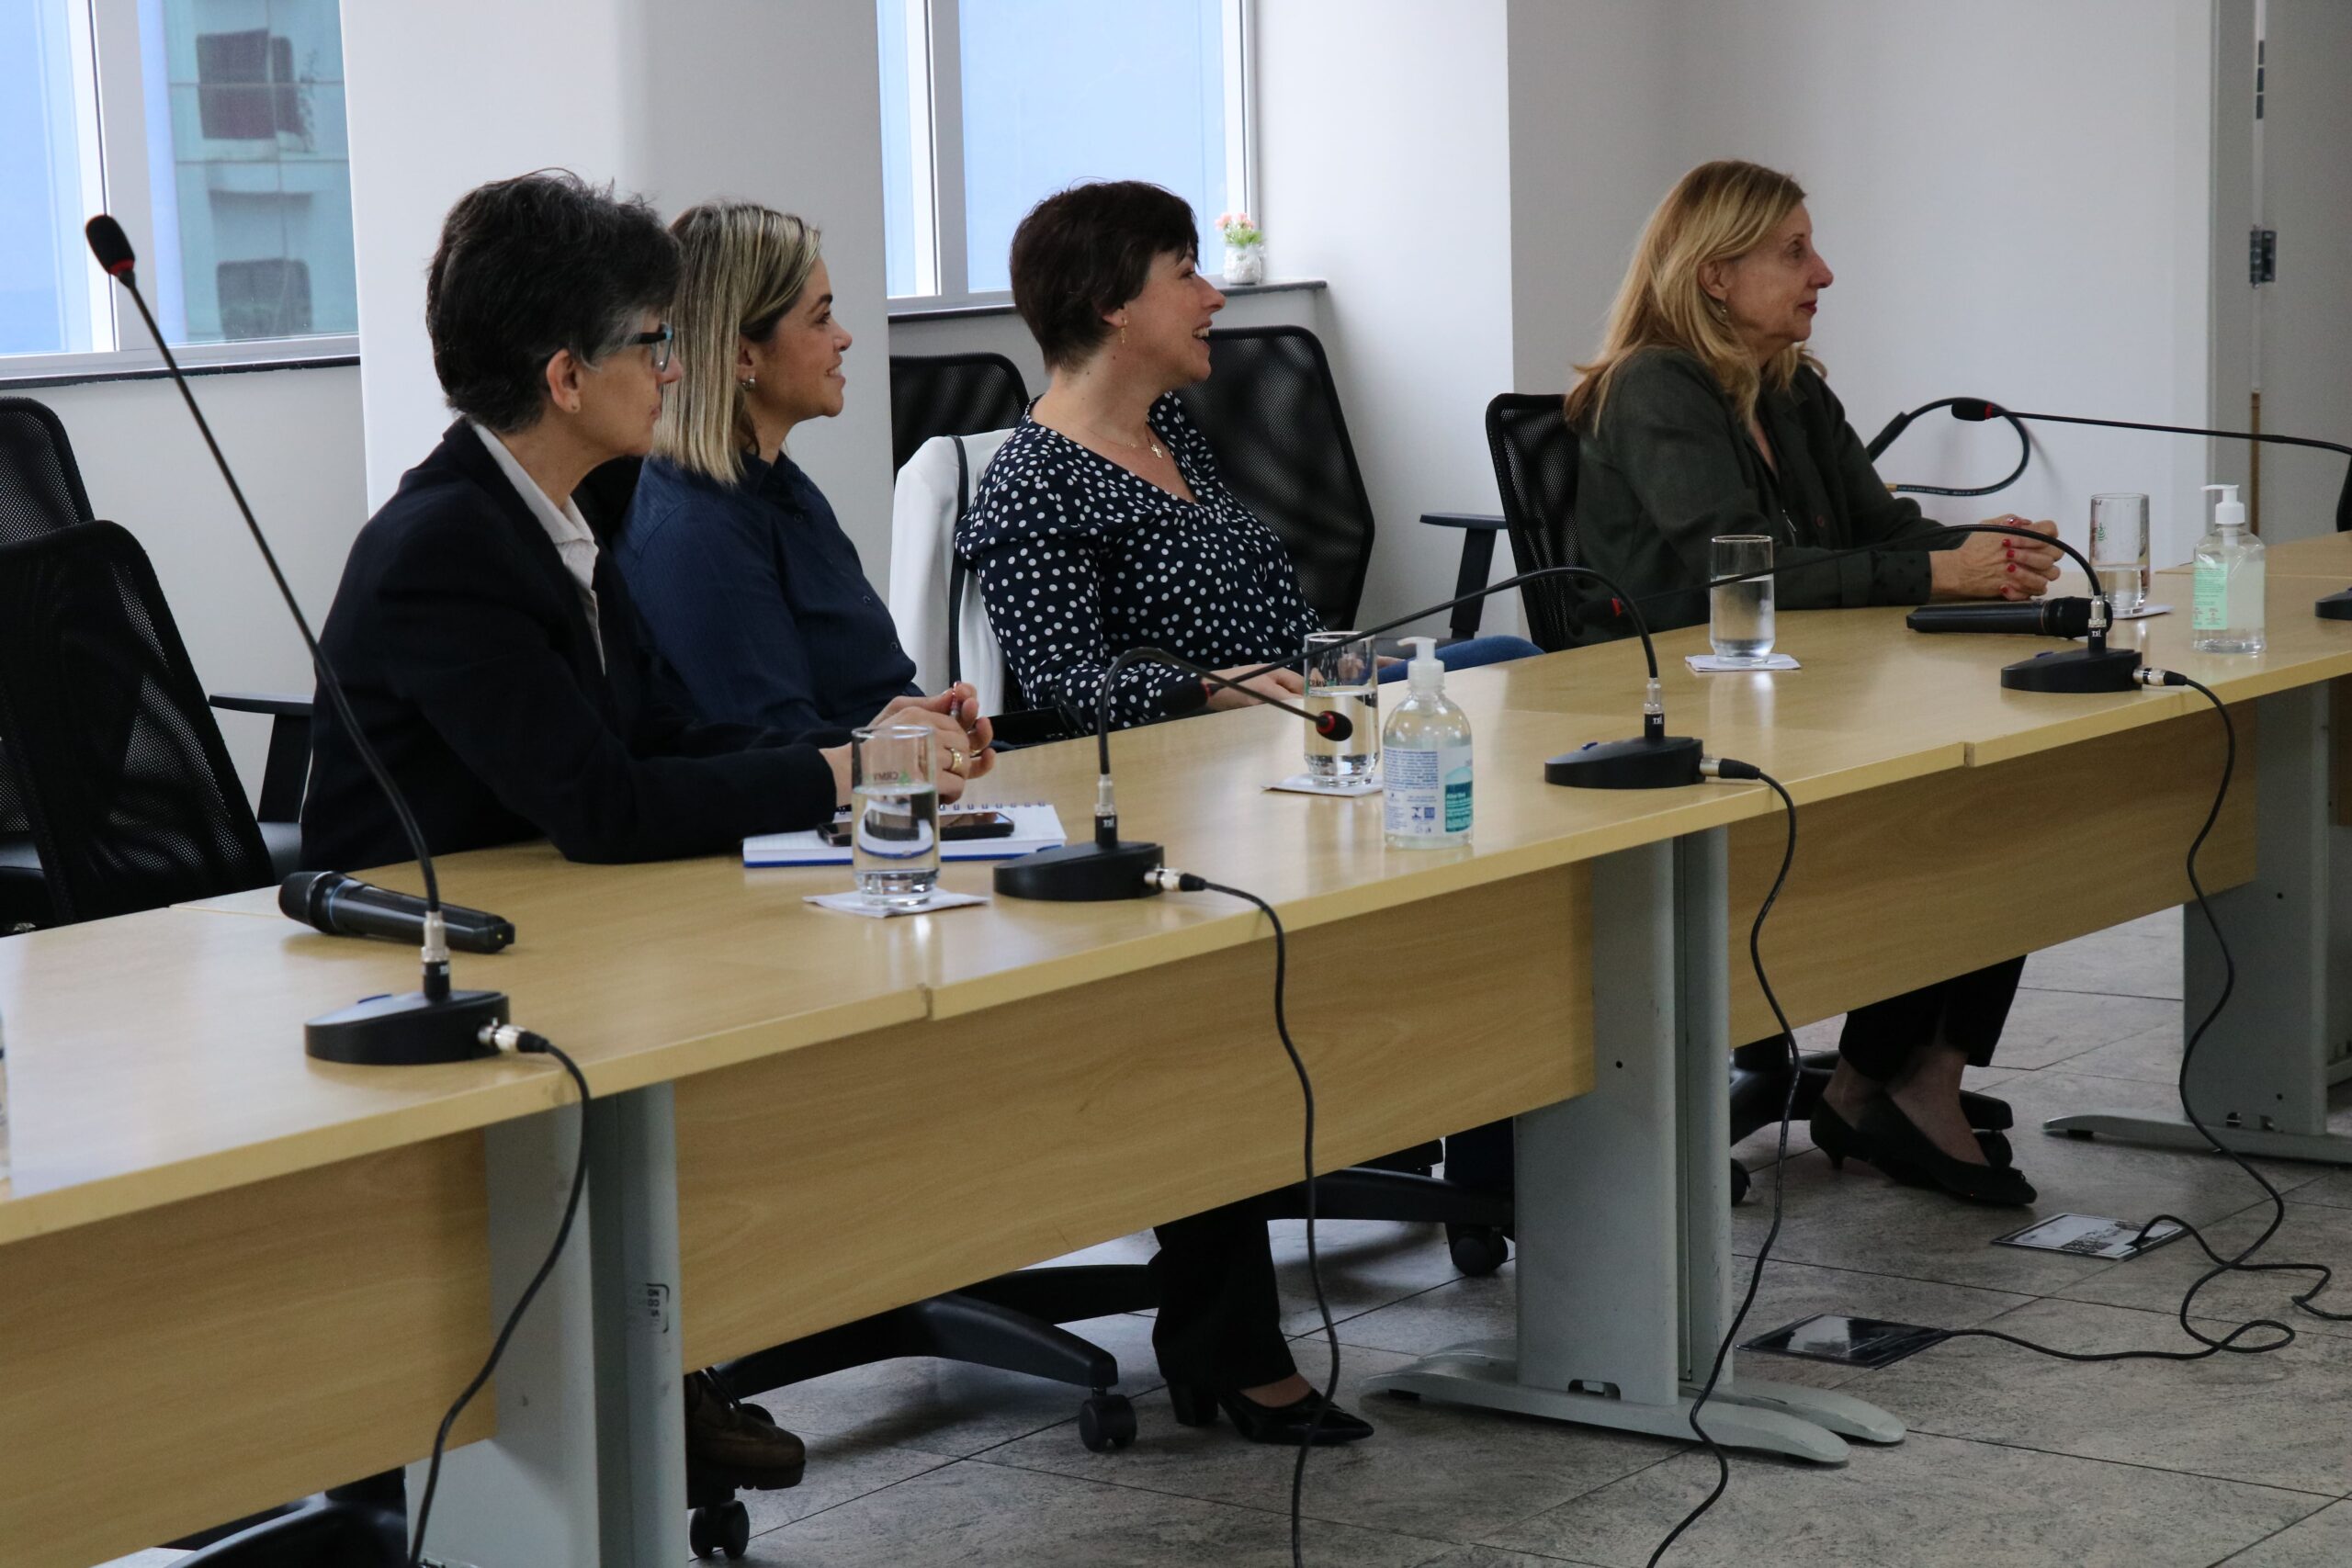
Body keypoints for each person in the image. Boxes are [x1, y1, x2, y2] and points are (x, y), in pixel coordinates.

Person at [299, 172, 987, 1489]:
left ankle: (659, 1358)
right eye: (651, 345)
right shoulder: (448, 545)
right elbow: (606, 807)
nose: (674, 370)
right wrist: (841, 770)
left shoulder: (574, 513)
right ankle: (613, 1383)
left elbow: (669, 734)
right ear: (568, 375)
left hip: (560, 921)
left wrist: (868, 751)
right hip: (429, 963)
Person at [1564, 159, 2043, 1204]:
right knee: (1938, 809)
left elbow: (1877, 532)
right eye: (1792, 252)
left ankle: (1905, 1076)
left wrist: (1980, 546)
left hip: (1798, 685)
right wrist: (1934, 571)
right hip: (1668, 707)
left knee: (1999, 787)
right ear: (1713, 276)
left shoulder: (1789, 388)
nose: (1821, 272)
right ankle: (1887, 1082)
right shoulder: (1653, 386)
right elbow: (1735, 571)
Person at [957, 179, 1539, 732]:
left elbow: (1270, 617)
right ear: (1111, 304)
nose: (1213, 297)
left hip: (1299, 710)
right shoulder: (1034, 482)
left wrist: (1350, 664)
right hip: (1198, 755)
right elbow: (1064, 688)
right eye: (1186, 275)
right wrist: (1203, 689)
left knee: (1516, 661)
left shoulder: (1167, 428)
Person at [620, 202, 975, 744]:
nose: (845, 338)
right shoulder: (698, 530)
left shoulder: (775, 481)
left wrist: (925, 724)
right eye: (820, 318)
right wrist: (889, 748)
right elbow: (780, 750)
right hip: (833, 817)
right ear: (744, 357)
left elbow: (850, 703)